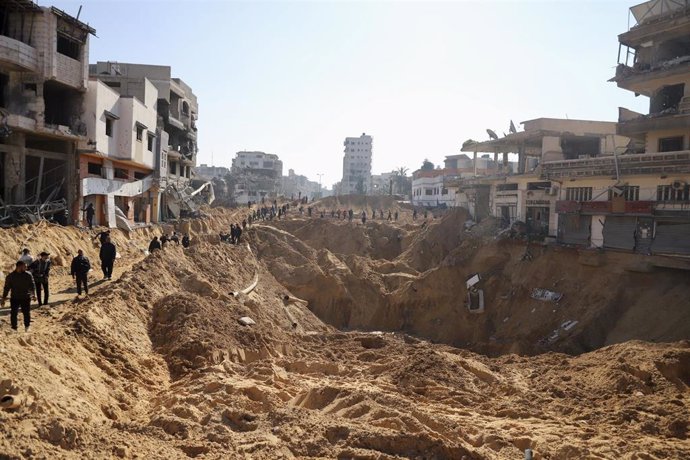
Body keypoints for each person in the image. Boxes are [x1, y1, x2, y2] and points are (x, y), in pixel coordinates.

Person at [1, 261, 36, 332]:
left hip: (25, 297)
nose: (26, 268)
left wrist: (33, 295)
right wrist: (3, 298)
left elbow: (32, 285)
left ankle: (27, 326)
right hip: (15, 298)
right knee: (13, 313)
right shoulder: (10, 276)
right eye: (25, 266)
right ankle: (14, 328)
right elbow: (6, 288)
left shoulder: (28, 275)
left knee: (26, 312)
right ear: (19, 266)